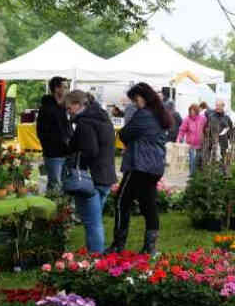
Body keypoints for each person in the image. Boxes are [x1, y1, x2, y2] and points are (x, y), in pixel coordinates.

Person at [109, 82, 171, 255]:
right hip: (155, 167)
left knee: (122, 202)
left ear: (144, 97)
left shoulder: (143, 114)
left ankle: (117, 246)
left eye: (135, 100)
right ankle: (149, 248)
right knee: (148, 205)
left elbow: (124, 134)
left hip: (139, 166)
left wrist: (131, 139)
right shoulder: (159, 114)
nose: (135, 104)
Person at [64, 90, 116, 254]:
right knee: (95, 220)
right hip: (106, 176)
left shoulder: (85, 123)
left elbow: (90, 151)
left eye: (69, 107)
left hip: (90, 179)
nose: (68, 111)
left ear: (78, 104)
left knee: (92, 223)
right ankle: (94, 255)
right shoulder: (103, 118)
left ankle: (95, 260)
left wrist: (74, 156)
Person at [37, 76, 72, 191]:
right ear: (57, 89)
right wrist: (56, 145)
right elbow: (41, 133)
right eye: (65, 87)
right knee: (55, 185)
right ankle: (52, 207)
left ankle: (63, 208)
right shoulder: (46, 109)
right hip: (53, 154)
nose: (68, 90)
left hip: (66, 153)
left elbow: (67, 129)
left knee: (65, 184)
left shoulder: (63, 108)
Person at [177, 104, 207, 176]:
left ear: (197, 112)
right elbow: (182, 130)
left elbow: (206, 127)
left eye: (193, 111)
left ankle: (198, 175)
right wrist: (179, 138)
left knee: (199, 159)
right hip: (191, 144)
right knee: (192, 160)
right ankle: (192, 175)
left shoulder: (202, 119)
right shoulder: (187, 119)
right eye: (190, 111)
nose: (192, 113)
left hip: (201, 143)